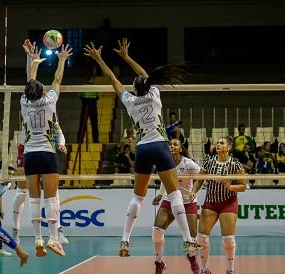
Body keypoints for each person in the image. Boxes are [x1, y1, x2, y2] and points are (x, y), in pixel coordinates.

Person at [84, 38, 201, 256]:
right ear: (147, 86)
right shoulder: (155, 95)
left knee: (138, 196)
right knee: (174, 194)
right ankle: (188, 240)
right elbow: (146, 76)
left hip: (143, 149)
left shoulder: (130, 101)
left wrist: (99, 59)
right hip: (160, 145)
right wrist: (127, 57)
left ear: (135, 90)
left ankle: (124, 241)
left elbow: (112, 79)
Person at [19, 39, 72, 257]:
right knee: (51, 198)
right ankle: (53, 239)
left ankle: (38, 239)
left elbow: (29, 82)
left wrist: (33, 62)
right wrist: (61, 60)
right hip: (47, 154)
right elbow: (57, 79)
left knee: (34, 199)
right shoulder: (50, 100)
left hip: (30, 154)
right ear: (42, 91)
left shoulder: (24, 101)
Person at [189, 137, 246, 274]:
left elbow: (243, 186)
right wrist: (194, 191)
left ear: (229, 147)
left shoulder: (235, 164)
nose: (218, 145)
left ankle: (230, 270)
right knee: (201, 238)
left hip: (228, 202)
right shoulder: (209, 161)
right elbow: (200, 180)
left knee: (228, 240)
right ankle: (204, 270)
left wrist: (230, 187)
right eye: (217, 143)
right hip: (211, 202)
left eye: (222, 143)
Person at [151, 138, 202, 274]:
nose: (172, 146)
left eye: (175, 144)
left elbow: (201, 177)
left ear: (180, 148)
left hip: (188, 202)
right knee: (156, 232)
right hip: (170, 199)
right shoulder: (165, 162)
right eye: (170, 144)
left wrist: (194, 191)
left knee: (192, 239)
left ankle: (191, 258)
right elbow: (164, 179)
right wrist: (160, 195)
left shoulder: (189, 164)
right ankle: (159, 263)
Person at [78, 74, 99, 143]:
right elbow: (97, 97)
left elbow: (79, 96)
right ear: (91, 79)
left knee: (85, 123)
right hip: (90, 105)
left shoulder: (85, 86)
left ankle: (80, 139)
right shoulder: (95, 87)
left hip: (88, 104)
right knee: (93, 124)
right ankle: (95, 140)